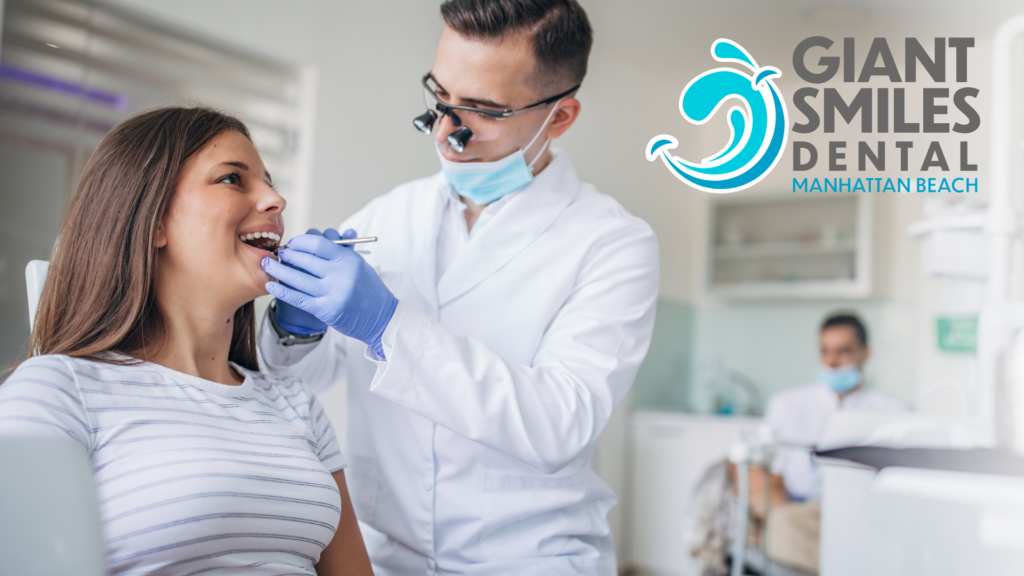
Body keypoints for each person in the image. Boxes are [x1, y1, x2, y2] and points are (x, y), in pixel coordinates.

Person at [257, 1, 660, 574]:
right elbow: (312, 377)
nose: (447, 131)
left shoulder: (613, 244)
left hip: (528, 559)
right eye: (440, 97)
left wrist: (387, 325)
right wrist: (294, 331)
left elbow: (559, 425)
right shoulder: (386, 216)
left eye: (483, 110)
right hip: (385, 557)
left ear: (561, 116)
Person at [0, 107, 372, 576]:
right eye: (233, 180)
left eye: (269, 181)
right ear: (152, 221)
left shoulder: (295, 405)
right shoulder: (58, 390)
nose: (276, 200)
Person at [756, 312, 906, 573]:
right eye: (825, 351)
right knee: (784, 524)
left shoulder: (893, 411)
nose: (832, 362)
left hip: (864, 512)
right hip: (803, 509)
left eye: (843, 352)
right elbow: (759, 467)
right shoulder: (787, 405)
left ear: (866, 353)